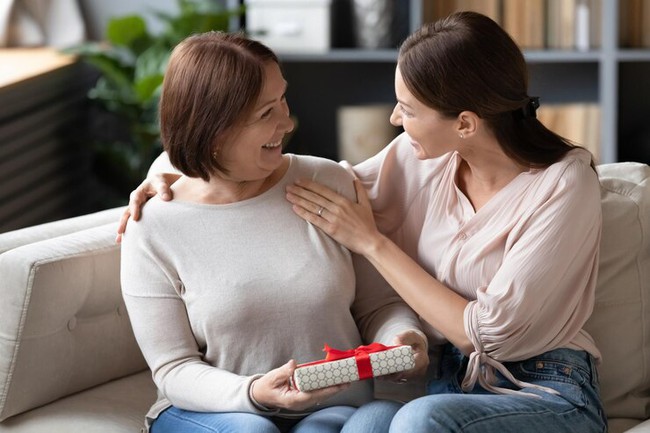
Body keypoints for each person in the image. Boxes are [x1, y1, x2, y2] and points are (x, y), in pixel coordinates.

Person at [121, 12, 607, 433]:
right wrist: (170, 169)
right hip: (447, 384)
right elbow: (303, 185)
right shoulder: (425, 156)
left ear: (464, 123)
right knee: (396, 420)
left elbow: (490, 335)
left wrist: (373, 244)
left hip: (544, 383)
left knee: (408, 421)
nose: (395, 119)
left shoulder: (564, 185)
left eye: (410, 110)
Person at [119, 31, 428, 433]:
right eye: (266, 113)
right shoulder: (154, 225)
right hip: (217, 411)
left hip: (334, 407)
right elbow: (173, 368)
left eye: (282, 99)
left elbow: (377, 306)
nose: (288, 122)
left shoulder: (329, 182)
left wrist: (402, 338)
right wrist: (253, 393)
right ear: (214, 131)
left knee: (378, 421)